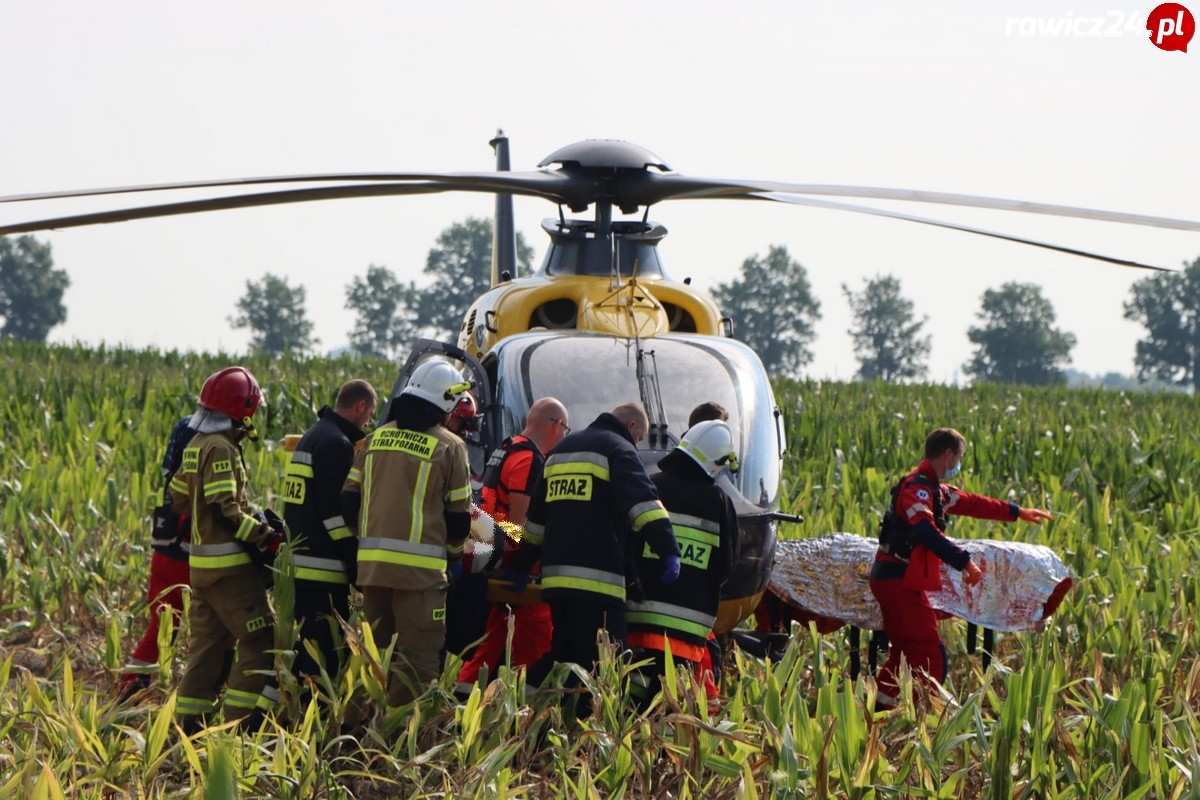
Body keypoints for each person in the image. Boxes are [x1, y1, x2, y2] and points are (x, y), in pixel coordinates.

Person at [509, 402, 680, 715]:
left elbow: (536, 522)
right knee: (611, 664)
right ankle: (599, 730)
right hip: (599, 584)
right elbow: (643, 504)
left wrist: (522, 565)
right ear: (631, 427)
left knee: (564, 655)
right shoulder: (618, 450)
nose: (637, 445)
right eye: (640, 438)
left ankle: (520, 709)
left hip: (557, 583)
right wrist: (668, 549)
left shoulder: (559, 452)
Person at [869, 427, 1053, 709]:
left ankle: (879, 714)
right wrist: (964, 561)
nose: (959, 464)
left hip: (898, 579)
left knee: (906, 653)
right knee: (931, 656)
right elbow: (925, 531)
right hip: (899, 581)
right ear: (948, 455)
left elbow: (975, 503)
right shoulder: (916, 489)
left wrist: (1017, 512)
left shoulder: (935, 490)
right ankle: (916, 719)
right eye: (960, 457)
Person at [341, 360, 473, 708]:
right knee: (417, 663)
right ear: (446, 402)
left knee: (373, 657)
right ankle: (401, 745)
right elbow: (460, 519)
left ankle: (355, 735)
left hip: (372, 573)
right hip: (422, 578)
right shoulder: (451, 446)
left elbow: (348, 503)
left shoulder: (374, 440)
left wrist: (369, 540)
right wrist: (454, 555)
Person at [168, 366, 284, 733]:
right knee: (259, 639)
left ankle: (187, 727)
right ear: (242, 411)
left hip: (201, 569)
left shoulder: (196, 444)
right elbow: (224, 508)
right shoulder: (220, 447)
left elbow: (178, 499)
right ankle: (237, 729)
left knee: (207, 649)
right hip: (230, 571)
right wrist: (265, 535)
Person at [453, 397, 569, 695]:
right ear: (555, 425)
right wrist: (525, 562)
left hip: (491, 555)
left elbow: (490, 509)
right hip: (515, 565)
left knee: (492, 639)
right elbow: (520, 523)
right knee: (539, 643)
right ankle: (534, 712)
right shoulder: (529, 458)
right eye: (565, 429)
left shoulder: (505, 448)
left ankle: (463, 699)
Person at [626, 420, 740, 713]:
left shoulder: (651, 487)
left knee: (633, 694)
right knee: (675, 704)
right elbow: (726, 568)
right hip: (688, 631)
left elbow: (627, 546)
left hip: (640, 620)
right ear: (717, 462)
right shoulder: (720, 503)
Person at [281, 379, 377, 689]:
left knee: (302, 653)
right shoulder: (336, 444)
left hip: (298, 567)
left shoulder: (312, 435)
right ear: (360, 406)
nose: (368, 422)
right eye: (369, 414)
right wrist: (355, 563)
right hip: (322, 574)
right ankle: (314, 725)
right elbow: (335, 515)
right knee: (323, 660)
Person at [118, 415, 201, 701]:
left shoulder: (184, 429)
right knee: (214, 630)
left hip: (164, 549)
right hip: (185, 556)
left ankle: (129, 692)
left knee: (160, 627)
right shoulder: (207, 450)